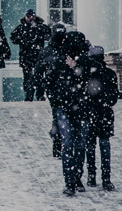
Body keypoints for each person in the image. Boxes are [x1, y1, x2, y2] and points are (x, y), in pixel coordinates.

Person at [42, 30, 90, 196]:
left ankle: (76, 177)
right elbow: (49, 83)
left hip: (80, 108)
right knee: (69, 143)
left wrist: (76, 68)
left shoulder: (84, 61)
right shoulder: (58, 62)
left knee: (78, 144)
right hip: (66, 108)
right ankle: (70, 180)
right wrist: (55, 103)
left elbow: (90, 83)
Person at [82, 45, 119, 191]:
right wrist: (105, 101)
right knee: (104, 144)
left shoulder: (85, 74)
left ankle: (91, 175)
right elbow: (114, 97)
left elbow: (82, 95)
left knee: (90, 145)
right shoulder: (109, 74)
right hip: (104, 113)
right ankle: (106, 177)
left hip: (89, 113)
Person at [34, 23, 69, 156]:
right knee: (65, 115)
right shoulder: (68, 49)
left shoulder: (47, 51)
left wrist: (40, 87)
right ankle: (62, 143)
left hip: (54, 88)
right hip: (66, 87)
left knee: (57, 116)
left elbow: (37, 72)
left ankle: (57, 144)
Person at [10, 10, 49, 102]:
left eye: (31, 16)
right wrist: (22, 40)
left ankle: (39, 95)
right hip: (26, 56)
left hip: (38, 56)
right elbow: (13, 39)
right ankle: (29, 96)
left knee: (38, 77)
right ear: (25, 17)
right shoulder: (21, 28)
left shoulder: (41, 27)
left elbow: (49, 36)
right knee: (28, 77)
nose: (30, 18)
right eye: (28, 16)